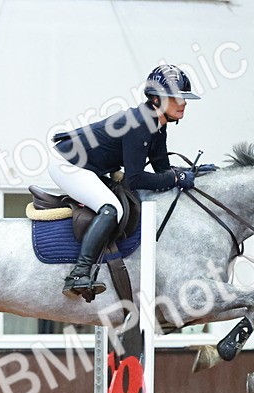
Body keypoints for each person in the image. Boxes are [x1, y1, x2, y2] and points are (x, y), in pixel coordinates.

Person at [49, 64, 202, 300]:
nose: (183, 103)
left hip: (89, 166)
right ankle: (79, 274)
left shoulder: (157, 125)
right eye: (175, 98)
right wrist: (176, 177)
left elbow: (162, 169)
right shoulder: (140, 124)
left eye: (183, 98)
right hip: (67, 165)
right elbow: (136, 179)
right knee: (111, 209)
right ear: (155, 99)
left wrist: (190, 173)